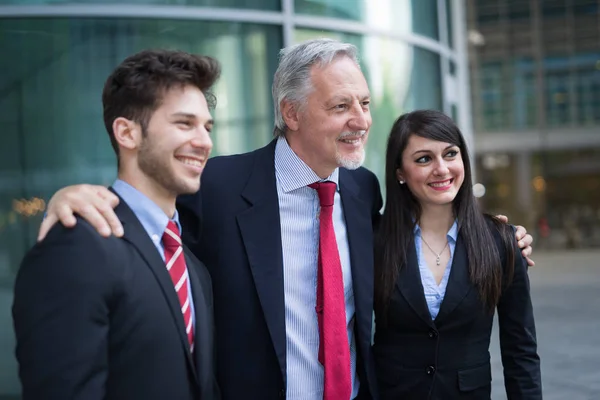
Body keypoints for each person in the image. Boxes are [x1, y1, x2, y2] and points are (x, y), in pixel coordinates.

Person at [35, 39, 534, 400]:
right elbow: (147, 222)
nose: (361, 120)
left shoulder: (362, 190)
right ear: (291, 113)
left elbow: (422, 233)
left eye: (363, 103)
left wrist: (496, 236)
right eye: (341, 106)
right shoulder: (218, 187)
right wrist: (76, 195)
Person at [12, 49, 221, 399]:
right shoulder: (76, 247)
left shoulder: (193, 268)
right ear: (127, 133)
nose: (204, 141)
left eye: (207, 126)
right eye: (184, 123)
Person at [373, 110, 542, 399]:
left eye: (450, 154)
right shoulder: (373, 240)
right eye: (423, 159)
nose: (441, 169)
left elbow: (520, 350)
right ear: (400, 172)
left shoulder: (501, 241)